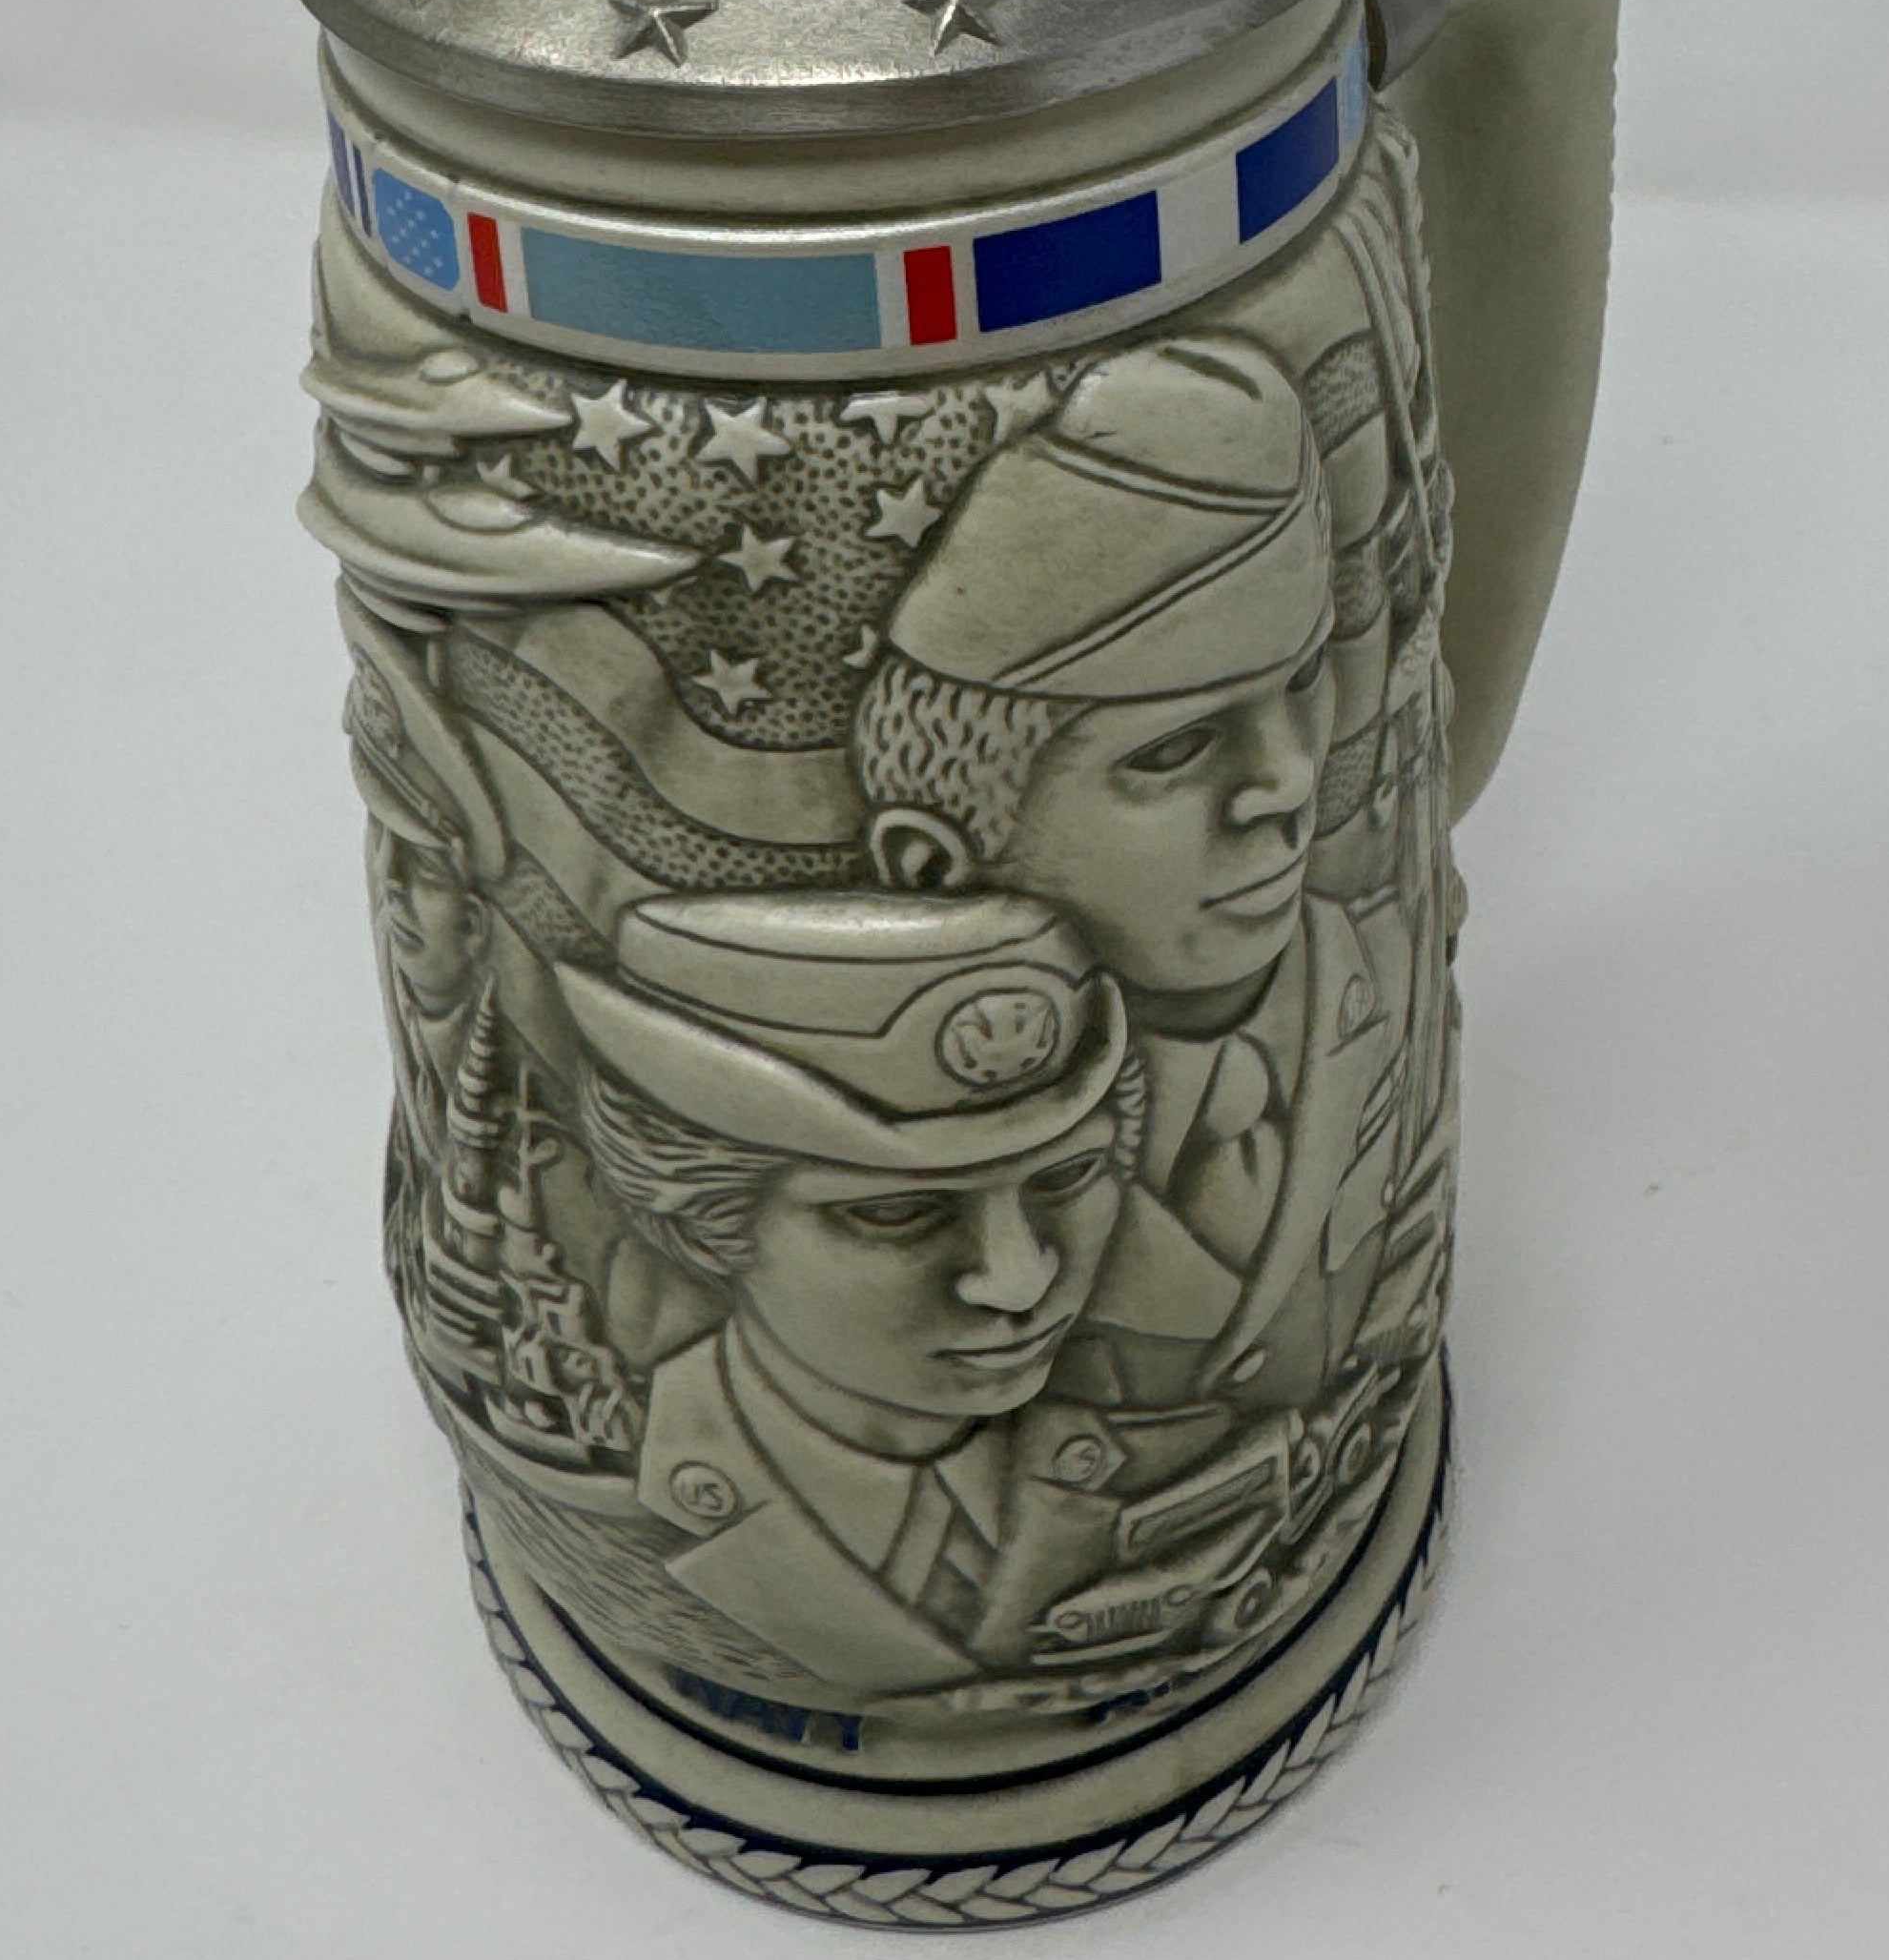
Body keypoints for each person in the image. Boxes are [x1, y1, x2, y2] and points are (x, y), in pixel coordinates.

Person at [850, 335, 1415, 1429]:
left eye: (1304, 682)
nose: (1289, 781)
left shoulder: (1382, 967)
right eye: (1175, 750)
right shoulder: (869, 1179)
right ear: (937, 868)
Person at [556, 887, 1152, 1702]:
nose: (1019, 1277)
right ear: (704, 1223)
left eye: (1069, 1175)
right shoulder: (605, 1497)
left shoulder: (1164, 1433)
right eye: (897, 1213)